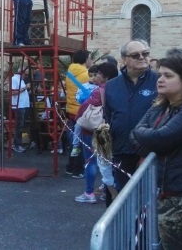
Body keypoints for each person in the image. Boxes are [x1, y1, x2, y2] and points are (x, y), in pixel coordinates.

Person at [130, 54, 182, 250]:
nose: (160, 79)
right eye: (159, 74)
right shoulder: (163, 105)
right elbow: (134, 134)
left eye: (168, 76)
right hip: (167, 191)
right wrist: (150, 139)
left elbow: (158, 139)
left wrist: (150, 138)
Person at [102, 39, 158, 206]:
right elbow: (109, 116)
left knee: (147, 202)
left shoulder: (159, 81)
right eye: (135, 55)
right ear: (124, 60)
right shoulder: (111, 85)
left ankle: (145, 233)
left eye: (145, 54)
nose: (142, 57)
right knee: (122, 201)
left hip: (150, 154)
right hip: (120, 152)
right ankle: (124, 233)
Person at [73, 63, 118, 204]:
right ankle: (107, 191)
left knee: (90, 162)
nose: (95, 76)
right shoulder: (117, 89)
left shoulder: (99, 91)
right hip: (108, 129)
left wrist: (78, 118)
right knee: (107, 161)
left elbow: (84, 108)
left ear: (105, 76)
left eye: (98, 73)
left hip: (91, 130)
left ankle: (89, 192)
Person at [65, 49, 92, 177]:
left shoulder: (70, 73)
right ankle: (77, 169)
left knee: (74, 141)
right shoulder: (86, 74)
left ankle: (70, 166)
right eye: (90, 58)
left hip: (71, 109)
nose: (91, 60)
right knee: (81, 142)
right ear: (85, 59)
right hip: (81, 111)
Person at [9, 65, 31, 153]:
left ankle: (19, 144)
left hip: (23, 105)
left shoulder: (21, 80)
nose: (26, 76)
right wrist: (25, 88)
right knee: (19, 126)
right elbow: (12, 92)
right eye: (26, 74)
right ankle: (16, 144)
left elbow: (21, 92)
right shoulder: (14, 79)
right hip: (18, 106)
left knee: (22, 126)